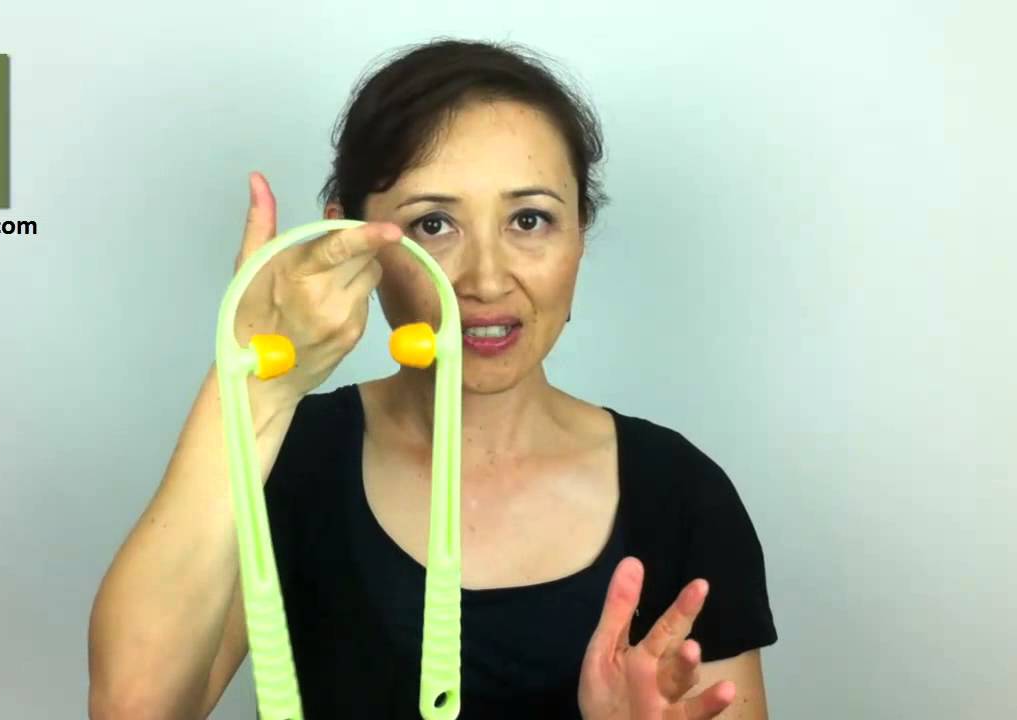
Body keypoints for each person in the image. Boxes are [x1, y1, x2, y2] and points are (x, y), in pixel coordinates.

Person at [88, 38, 777, 720]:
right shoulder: (292, 457)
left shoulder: (682, 494)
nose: (486, 279)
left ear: (580, 233)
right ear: (347, 244)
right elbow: (133, 708)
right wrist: (254, 385)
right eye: (434, 223)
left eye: (530, 219)